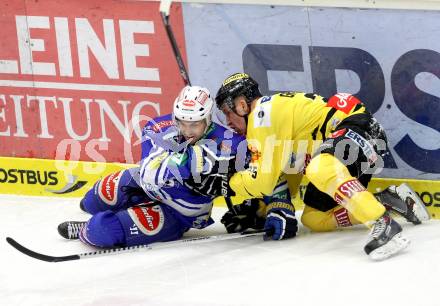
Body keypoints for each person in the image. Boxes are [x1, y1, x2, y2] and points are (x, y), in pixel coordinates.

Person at [214, 72, 429, 260]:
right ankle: (389, 201)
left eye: (227, 111)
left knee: (319, 167)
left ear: (242, 104)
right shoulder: (270, 120)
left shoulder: (261, 116)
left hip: (356, 126)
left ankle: (381, 222)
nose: (228, 120)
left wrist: (227, 183)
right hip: (350, 144)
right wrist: (262, 209)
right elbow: (285, 176)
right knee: (313, 219)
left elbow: (262, 181)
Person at [57, 85, 290, 247]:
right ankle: (120, 211)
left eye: (195, 124)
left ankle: (96, 226)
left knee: (101, 231)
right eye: (182, 122)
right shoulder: (158, 126)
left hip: (178, 211)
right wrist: (187, 160)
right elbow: (148, 174)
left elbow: (269, 171)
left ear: (208, 120)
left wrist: (278, 207)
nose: (187, 130)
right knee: (92, 200)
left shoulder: (231, 142)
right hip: (144, 185)